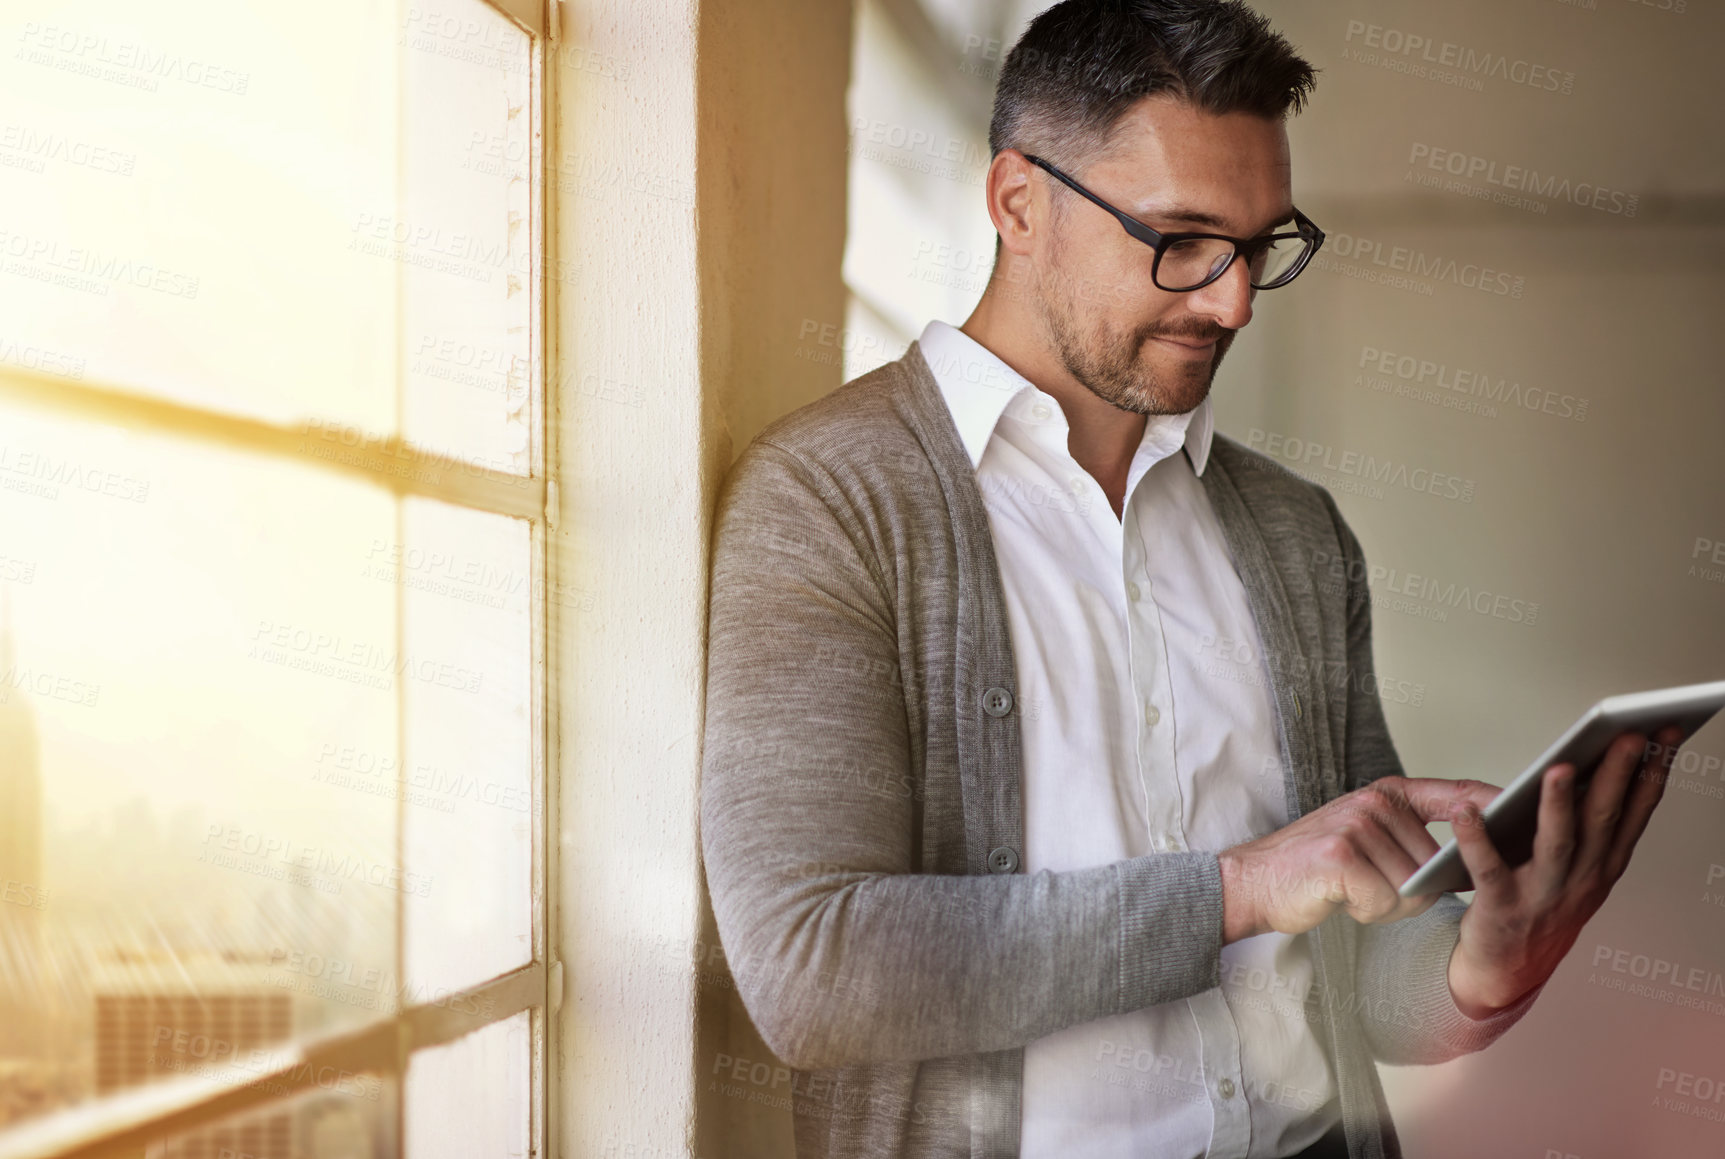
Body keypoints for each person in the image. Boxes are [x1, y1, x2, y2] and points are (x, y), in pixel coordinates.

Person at [699, 2, 1682, 1156]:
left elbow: (1357, 966)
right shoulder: (830, 500)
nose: (1233, 302)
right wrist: (1239, 889)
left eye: (1262, 244)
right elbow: (816, 972)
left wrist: (1480, 968)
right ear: (1020, 203)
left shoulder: (1295, 532)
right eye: (1181, 239)